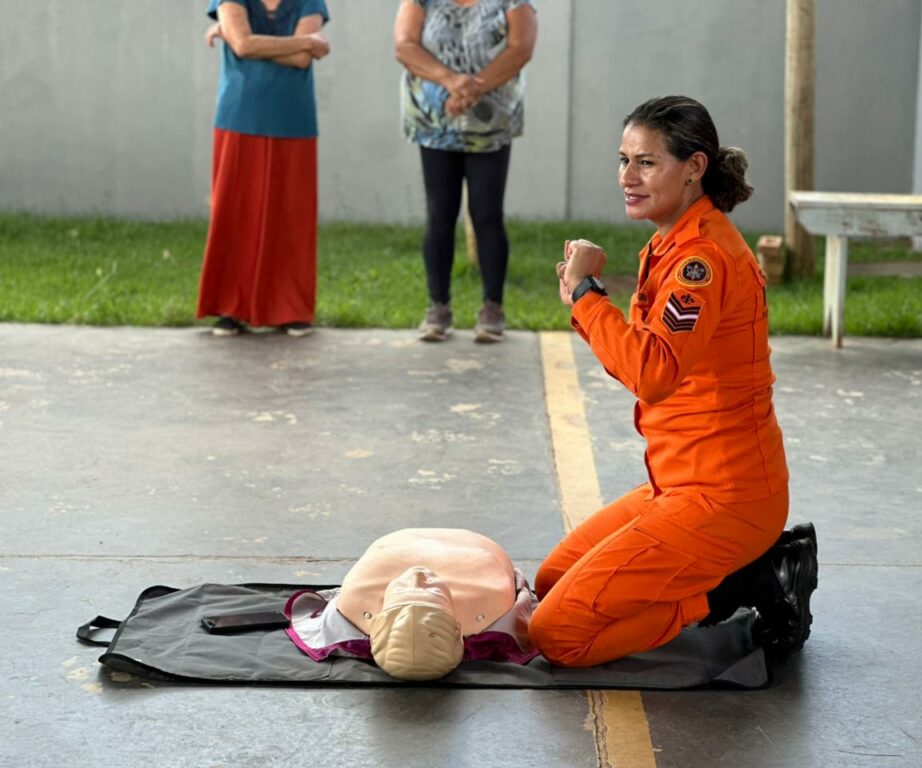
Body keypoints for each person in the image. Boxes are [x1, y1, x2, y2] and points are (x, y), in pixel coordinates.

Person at [528, 95, 818, 668]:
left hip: (725, 498)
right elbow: (644, 361)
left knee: (557, 633)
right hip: (680, 483)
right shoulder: (670, 244)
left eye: (646, 162)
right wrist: (588, 298)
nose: (627, 177)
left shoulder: (700, 261)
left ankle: (744, 584)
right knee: (551, 580)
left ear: (694, 168)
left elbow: (652, 374)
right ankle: (733, 573)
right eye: (624, 160)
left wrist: (586, 296)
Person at [393, 0, 538, 343]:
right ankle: (438, 308)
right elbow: (404, 46)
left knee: (487, 215)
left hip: (490, 122)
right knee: (439, 215)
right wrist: (452, 80)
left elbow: (521, 48)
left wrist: (473, 87)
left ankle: (492, 309)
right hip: (434, 121)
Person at [196, 0, 330, 338]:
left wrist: (245, 41)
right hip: (238, 114)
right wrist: (303, 42)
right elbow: (244, 45)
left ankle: (291, 309)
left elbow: (299, 61)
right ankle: (230, 307)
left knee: (291, 215)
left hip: (293, 117)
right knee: (234, 211)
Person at [285, 528, 537, 680]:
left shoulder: (356, 598)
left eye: (404, 592)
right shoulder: (487, 598)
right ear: (458, 630)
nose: (417, 576)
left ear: (375, 623)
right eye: (431, 593)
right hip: (475, 545)